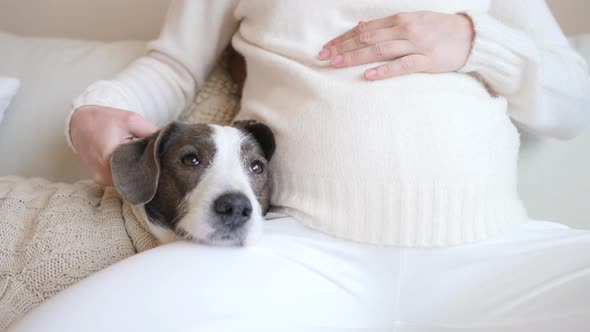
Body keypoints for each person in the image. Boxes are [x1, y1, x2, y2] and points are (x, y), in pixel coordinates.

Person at [13, 0, 590, 331]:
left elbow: (575, 101)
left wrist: (476, 40)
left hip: (496, 251)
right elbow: (173, 64)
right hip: (289, 252)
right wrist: (93, 109)